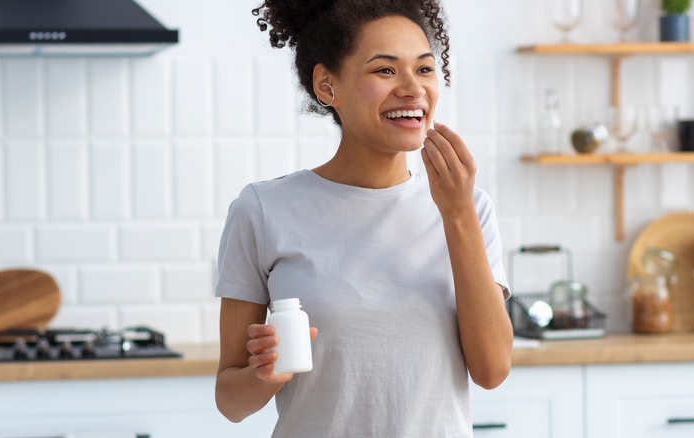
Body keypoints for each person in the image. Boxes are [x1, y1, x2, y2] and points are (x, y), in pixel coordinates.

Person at [214, 0, 514, 436]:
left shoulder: (469, 208)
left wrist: (457, 214)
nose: (413, 89)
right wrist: (264, 376)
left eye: (425, 69)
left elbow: (492, 370)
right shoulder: (263, 210)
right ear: (326, 85)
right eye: (385, 70)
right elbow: (230, 401)